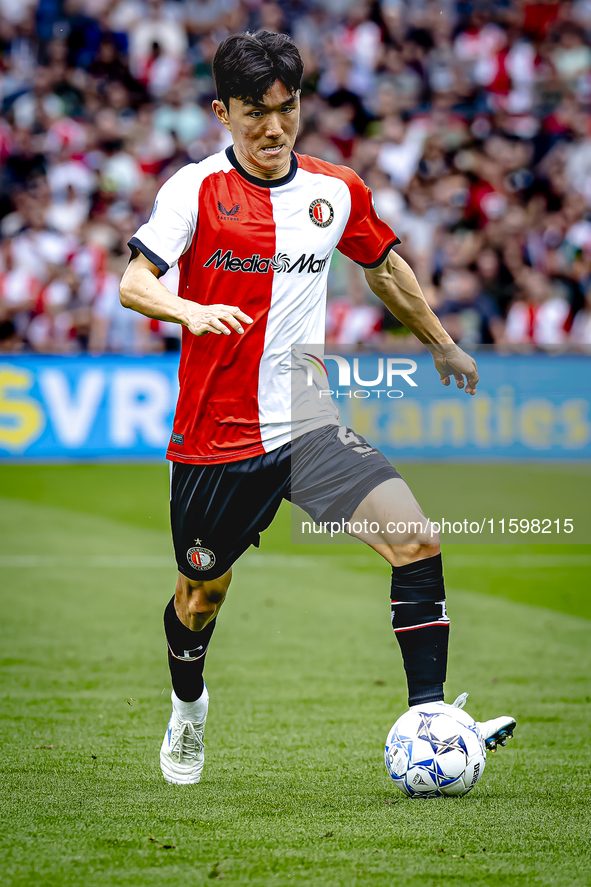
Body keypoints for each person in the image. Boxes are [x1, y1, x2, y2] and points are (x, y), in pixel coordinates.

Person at [119, 31, 516, 786]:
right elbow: (133, 282)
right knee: (200, 595)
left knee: (416, 540)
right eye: (253, 113)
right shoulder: (194, 189)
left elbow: (385, 267)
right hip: (216, 440)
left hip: (307, 425)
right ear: (221, 114)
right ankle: (188, 709)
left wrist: (439, 342)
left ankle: (428, 714)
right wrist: (188, 309)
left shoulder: (335, 190)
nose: (273, 128)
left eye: (286, 108)